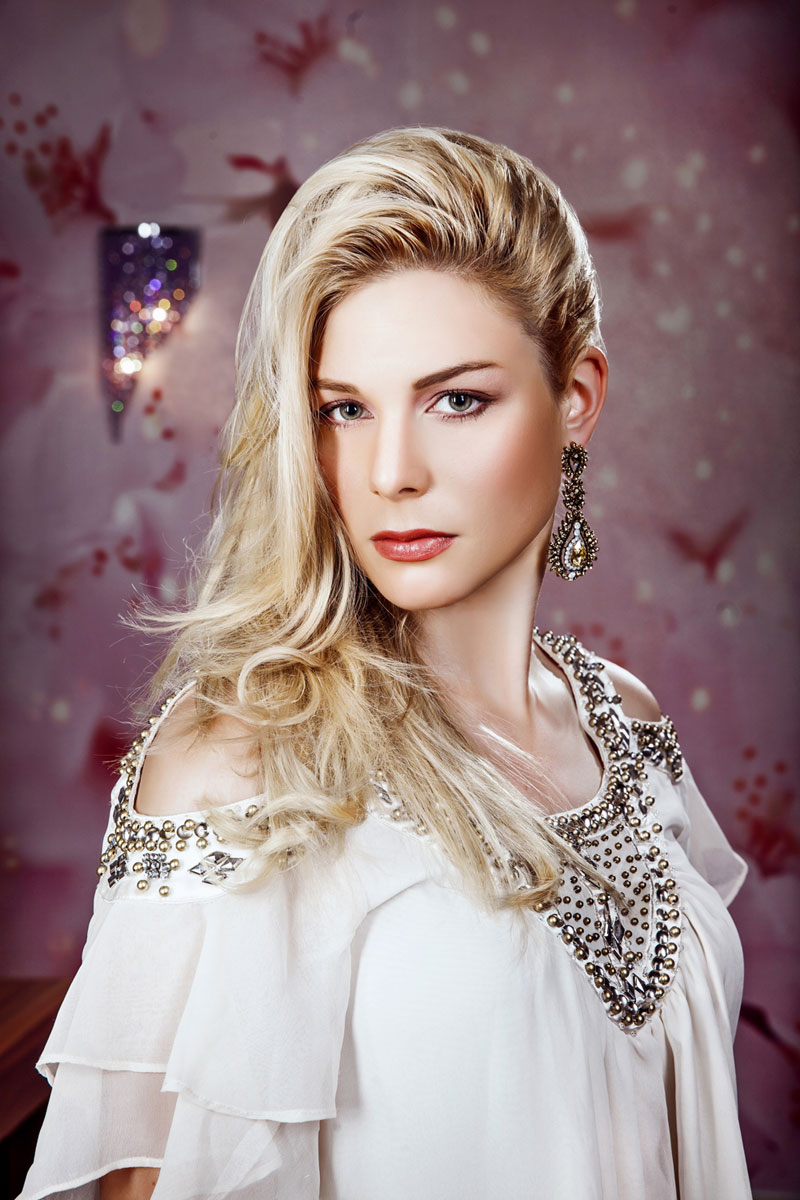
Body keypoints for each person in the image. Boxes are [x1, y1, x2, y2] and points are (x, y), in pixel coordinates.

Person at [18, 127, 750, 1200]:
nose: (391, 471)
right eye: (344, 410)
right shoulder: (244, 763)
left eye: (456, 400)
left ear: (577, 397)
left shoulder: (625, 722)